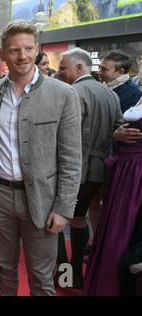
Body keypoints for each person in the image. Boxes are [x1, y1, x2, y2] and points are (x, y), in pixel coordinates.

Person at [0, 20, 82, 296]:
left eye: (28, 48)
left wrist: (64, 208)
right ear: (2, 54)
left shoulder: (64, 94)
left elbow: (71, 158)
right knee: (5, 269)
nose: (22, 56)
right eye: (14, 50)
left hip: (43, 200)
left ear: (37, 49)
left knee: (40, 277)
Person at [56, 47, 123, 288]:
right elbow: (119, 129)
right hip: (101, 170)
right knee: (78, 219)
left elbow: (63, 136)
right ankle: (75, 273)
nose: (59, 71)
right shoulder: (110, 94)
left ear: (80, 67)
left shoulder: (72, 93)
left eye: (63, 67)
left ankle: (65, 275)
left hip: (77, 172)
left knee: (59, 221)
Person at [83, 97, 142, 295]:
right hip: (125, 172)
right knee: (114, 228)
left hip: (137, 175)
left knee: (126, 232)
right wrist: (116, 135)